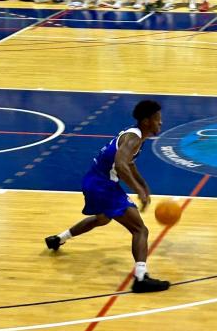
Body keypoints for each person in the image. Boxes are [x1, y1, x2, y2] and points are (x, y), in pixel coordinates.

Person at [45, 100, 170, 293]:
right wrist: (138, 190)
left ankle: (58, 239)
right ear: (146, 121)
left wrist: (143, 184)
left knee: (102, 219)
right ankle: (140, 278)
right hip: (103, 186)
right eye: (157, 119)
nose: (160, 122)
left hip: (93, 180)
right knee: (140, 230)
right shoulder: (134, 139)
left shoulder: (134, 135)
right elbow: (120, 164)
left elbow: (129, 163)